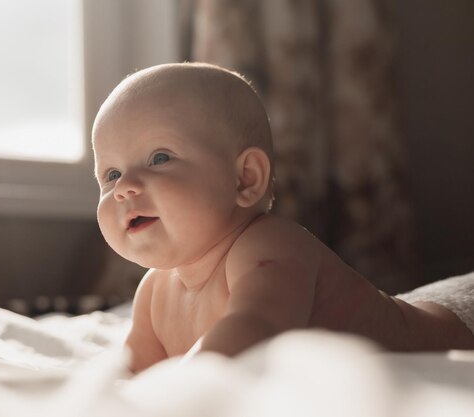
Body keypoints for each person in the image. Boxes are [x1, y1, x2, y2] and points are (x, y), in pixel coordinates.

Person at [91, 62, 474, 373]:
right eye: (110, 175)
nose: (124, 187)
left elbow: (253, 333)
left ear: (245, 178)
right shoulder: (153, 293)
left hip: (451, 326)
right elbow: (132, 373)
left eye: (159, 158)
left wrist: (180, 386)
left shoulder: (268, 247)